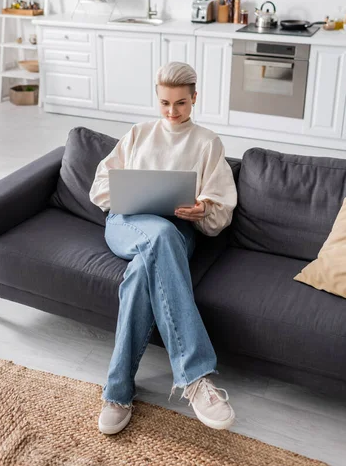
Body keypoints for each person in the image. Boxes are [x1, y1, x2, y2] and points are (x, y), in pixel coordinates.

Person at [89, 61, 238, 435]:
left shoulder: (208, 142)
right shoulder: (139, 133)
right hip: (126, 224)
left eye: (181, 104)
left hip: (177, 232)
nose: (172, 112)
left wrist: (202, 207)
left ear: (195, 99)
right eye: (165, 103)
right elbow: (100, 188)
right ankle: (196, 376)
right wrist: (128, 195)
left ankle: (118, 390)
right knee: (157, 237)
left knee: (143, 272)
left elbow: (220, 213)